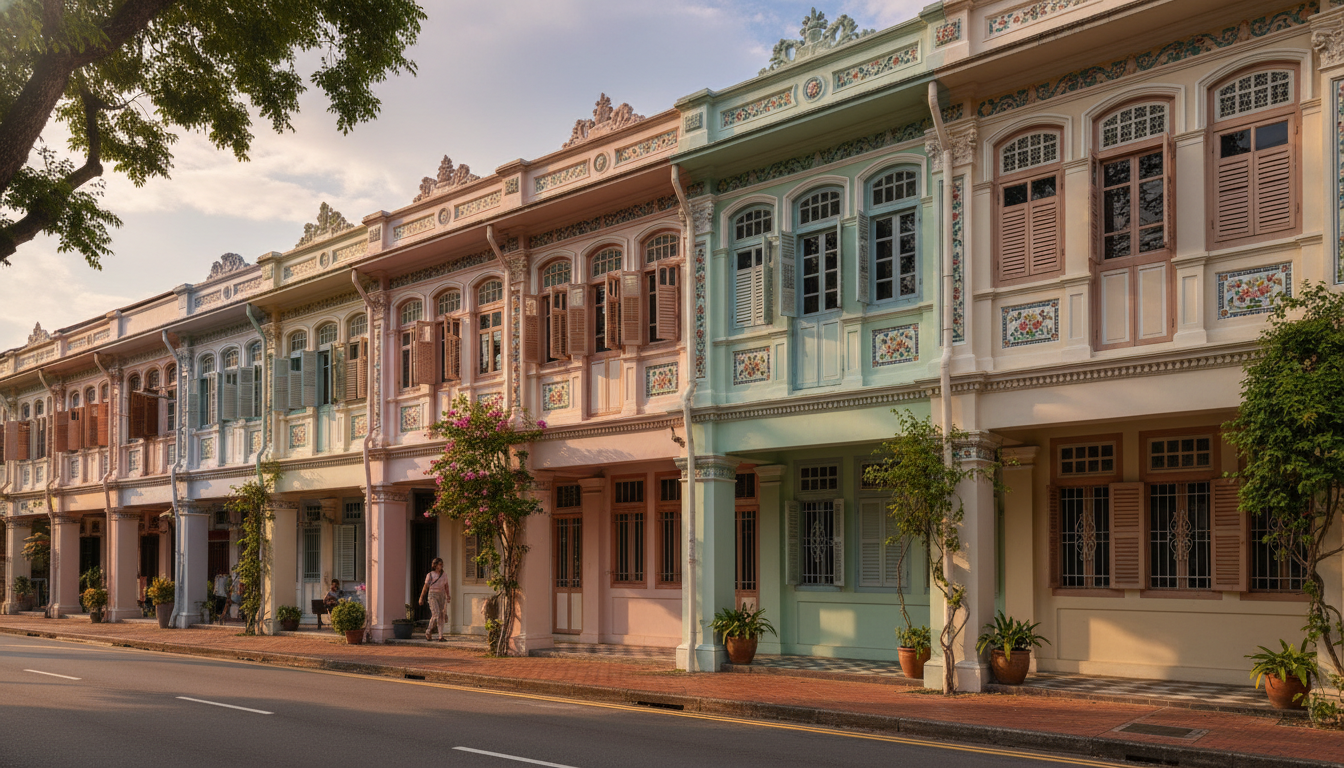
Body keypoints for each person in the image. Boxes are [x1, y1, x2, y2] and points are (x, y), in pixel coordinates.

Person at [418, 558, 450, 642]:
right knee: (436, 613)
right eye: (440, 564)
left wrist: (448, 595)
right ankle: (428, 631)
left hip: (442, 595)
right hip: (432, 595)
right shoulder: (430, 575)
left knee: (442, 615)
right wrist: (421, 597)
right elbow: (425, 587)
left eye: (442, 564)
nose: (441, 566)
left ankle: (440, 636)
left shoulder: (444, 575)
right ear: (435, 565)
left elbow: (446, 586)